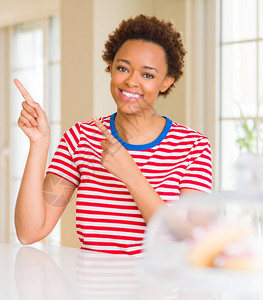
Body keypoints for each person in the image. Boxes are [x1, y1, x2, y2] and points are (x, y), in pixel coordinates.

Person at [14, 14, 212, 256]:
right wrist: (39, 143)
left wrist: (131, 174)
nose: (131, 81)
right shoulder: (81, 138)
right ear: (110, 68)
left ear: (166, 82)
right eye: (122, 68)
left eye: (147, 75)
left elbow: (190, 241)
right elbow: (30, 231)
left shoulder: (193, 147)